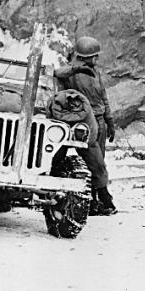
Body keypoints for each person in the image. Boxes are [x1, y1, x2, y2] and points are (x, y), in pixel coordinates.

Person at [54, 36, 116, 215]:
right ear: (85, 56)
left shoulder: (96, 72)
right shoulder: (72, 71)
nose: (97, 59)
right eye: (94, 56)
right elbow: (57, 73)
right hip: (84, 122)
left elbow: (103, 96)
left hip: (100, 120)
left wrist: (110, 120)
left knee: (100, 160)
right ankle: (103, 200)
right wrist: (76, 69)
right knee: (94, 161)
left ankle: (97, 201)